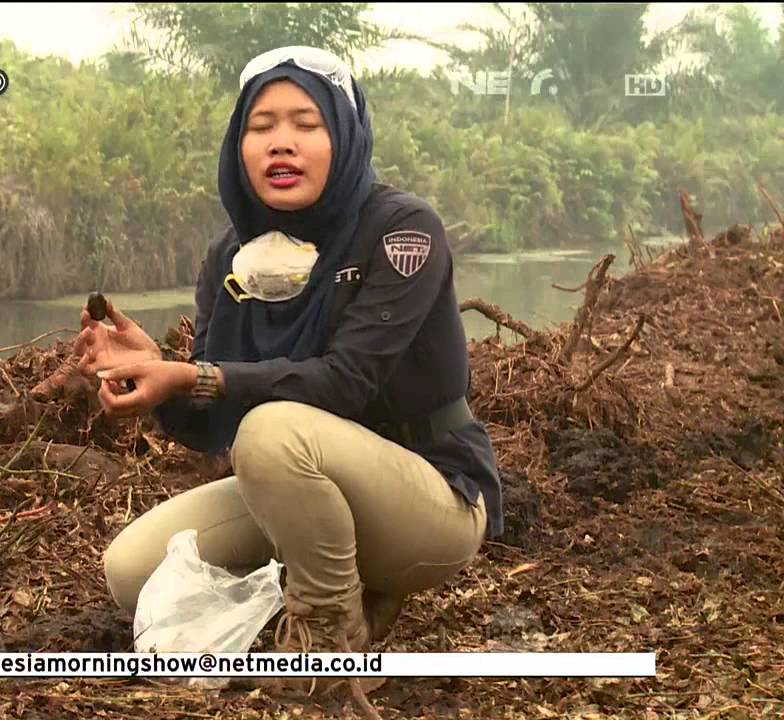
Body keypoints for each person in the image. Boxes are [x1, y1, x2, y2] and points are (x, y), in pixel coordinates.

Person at [74, 46, 503, 715]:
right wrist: (148, 371)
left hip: (431, 499)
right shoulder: (232, 253)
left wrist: (198, 374)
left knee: (273, 433)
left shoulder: (401, 230)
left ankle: (332, 640)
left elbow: (344, 384)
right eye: (261, 125)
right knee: (131, 573)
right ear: (237, 145)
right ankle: (326, 588)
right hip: (300, 483)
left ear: (345, 133)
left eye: (306, 123)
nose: (282, 143)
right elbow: (210, 420)